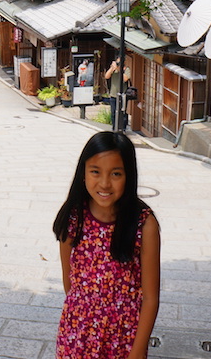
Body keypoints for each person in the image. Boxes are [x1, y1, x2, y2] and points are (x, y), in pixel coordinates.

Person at [53, 132, 161, 359]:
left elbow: (150, 298)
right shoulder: (74, 218)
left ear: (128, 176)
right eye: (95, 172)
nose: (104, 183)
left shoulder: (144, 224)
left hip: (123, 340)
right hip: (77, 336)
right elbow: (69, 281)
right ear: (83, 173)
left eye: (116, 174)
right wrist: (84, 318)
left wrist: (138, 350)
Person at [104, 57, 132, 127]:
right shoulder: (113, 69)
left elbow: (125, 79)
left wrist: (119, 69)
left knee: (123, 112)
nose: (119, 64)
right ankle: (114, 127)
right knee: (113, 113)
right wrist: (112, 68)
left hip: (123, 95)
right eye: (118, 62)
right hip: (113, 94)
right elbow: (106, 76)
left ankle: (123, 128)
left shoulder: (126, 69)